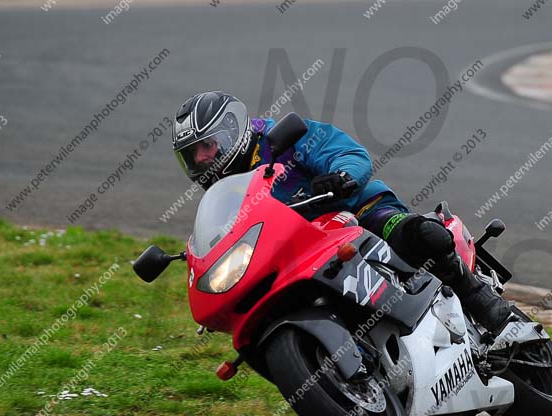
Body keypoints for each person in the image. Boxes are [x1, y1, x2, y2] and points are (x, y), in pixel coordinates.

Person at [171, 91, 511, 332]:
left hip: (358, 211)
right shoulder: (227, 195)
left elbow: (345, 151)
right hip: (306, 251)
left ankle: (484, 304)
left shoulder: (281, 138)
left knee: (420, 234)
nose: (201, 159)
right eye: (192, 155)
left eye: (207, 146)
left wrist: (342, 175)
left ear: (232, 132)